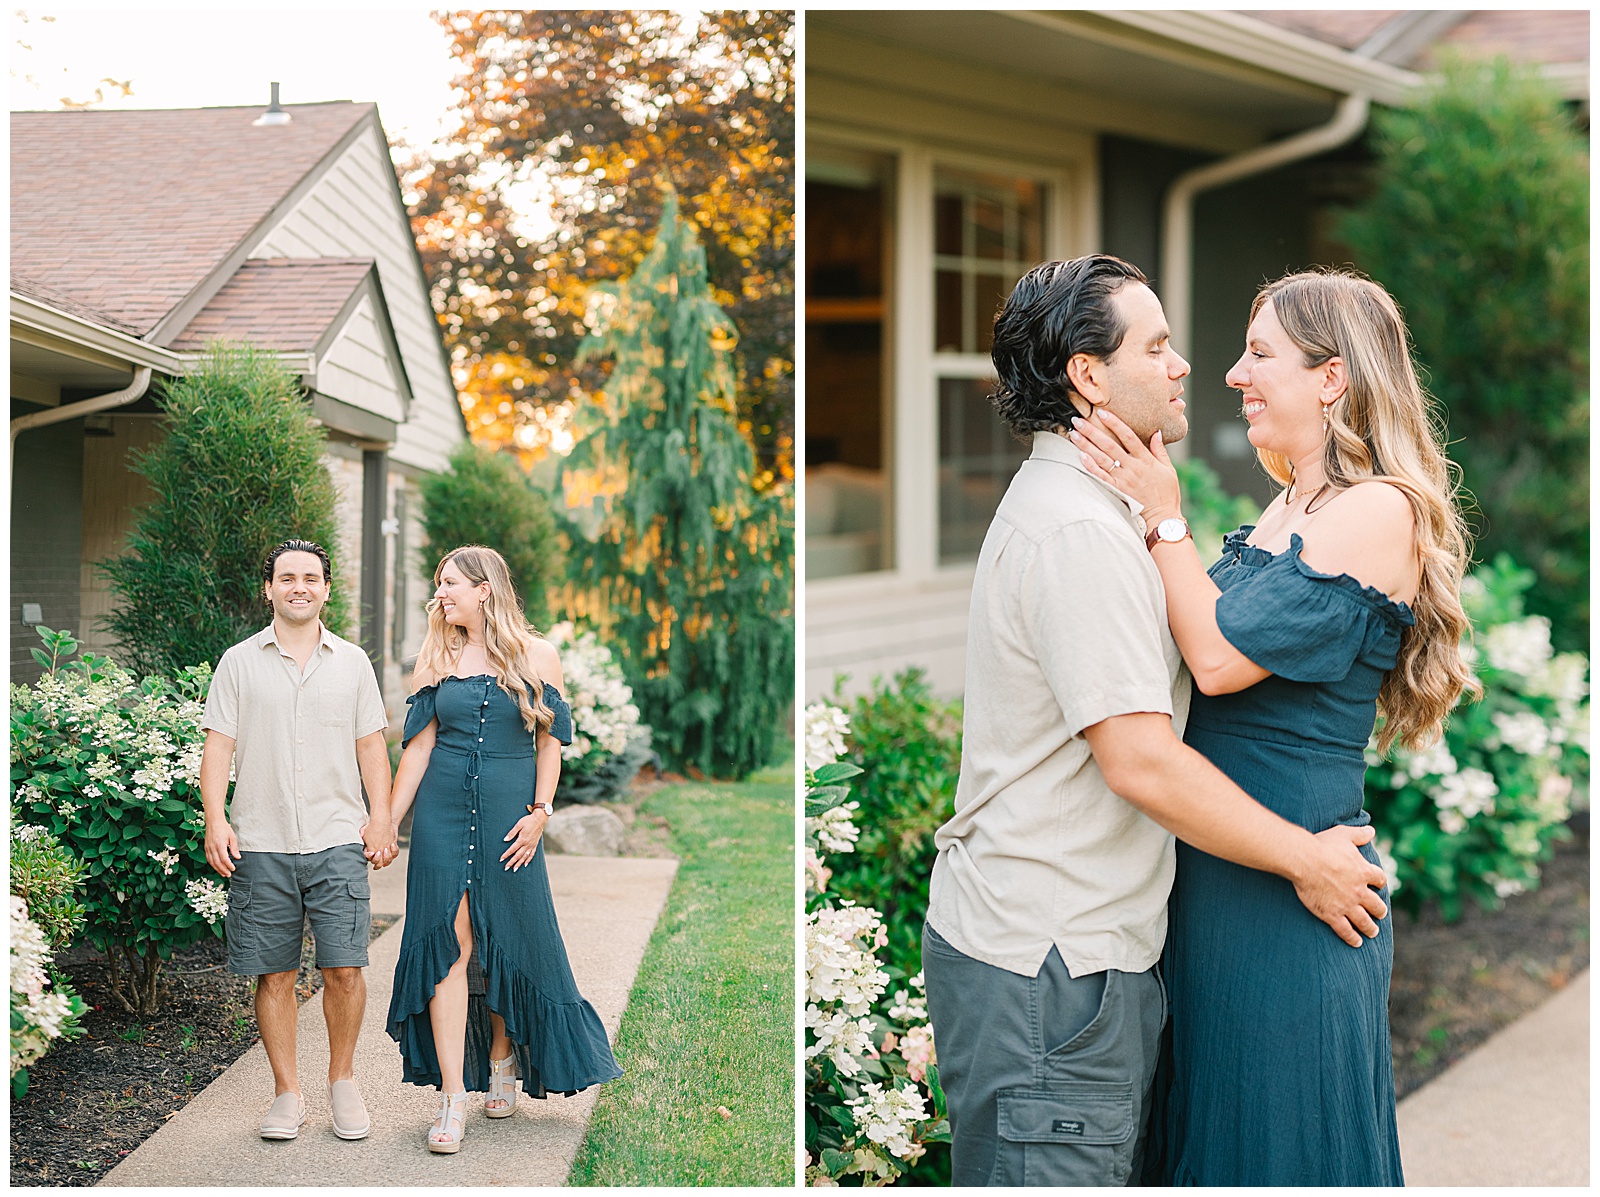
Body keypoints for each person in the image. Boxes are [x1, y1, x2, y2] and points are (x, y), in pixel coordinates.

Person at [920, 255, 1392, 1187]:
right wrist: (1308, 856)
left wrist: (1163, 517)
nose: (1191, 367)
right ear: (1089, 377)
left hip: (1085, 954)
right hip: (1054, 964)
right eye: (1160, 345)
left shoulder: (1105, 511)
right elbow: (1139, 759)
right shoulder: (1080, 532)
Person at [1068, 268, 1475, 1185]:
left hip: (1295, 898)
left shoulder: (1380, 509)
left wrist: (1164, 517)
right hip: (1222, 878)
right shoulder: (1291, 506)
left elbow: (1215, 660)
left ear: (1332, 378)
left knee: (1276, 1149)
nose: (1231, 375)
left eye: (1259, 355)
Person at [385, 545, 621, 1154]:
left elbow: (551, 743)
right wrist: (385, 819)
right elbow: (416, 750)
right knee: (447, 942)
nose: (440, 595)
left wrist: (542, 813)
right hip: (440, 814)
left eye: (449, 585)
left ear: (483, 589)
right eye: (438, 585)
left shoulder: (537, 656)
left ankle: (503, 1057)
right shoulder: (435, 658)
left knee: (507, 936)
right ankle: (452, 1100)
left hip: (510, 817)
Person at [201, 538, 398, 1143]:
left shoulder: (353, 663)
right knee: (274, 974)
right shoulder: (238, 662)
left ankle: (343, 1083)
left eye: (310, 578)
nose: (299, 587)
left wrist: (383, 817)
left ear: (326, 589)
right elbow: (218, 747)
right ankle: (287, 1093)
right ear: (269, 589)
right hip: (261, 840)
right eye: (286, 578)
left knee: (344, 968)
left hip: (338, 836)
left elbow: (372, 747)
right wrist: (216, 819)